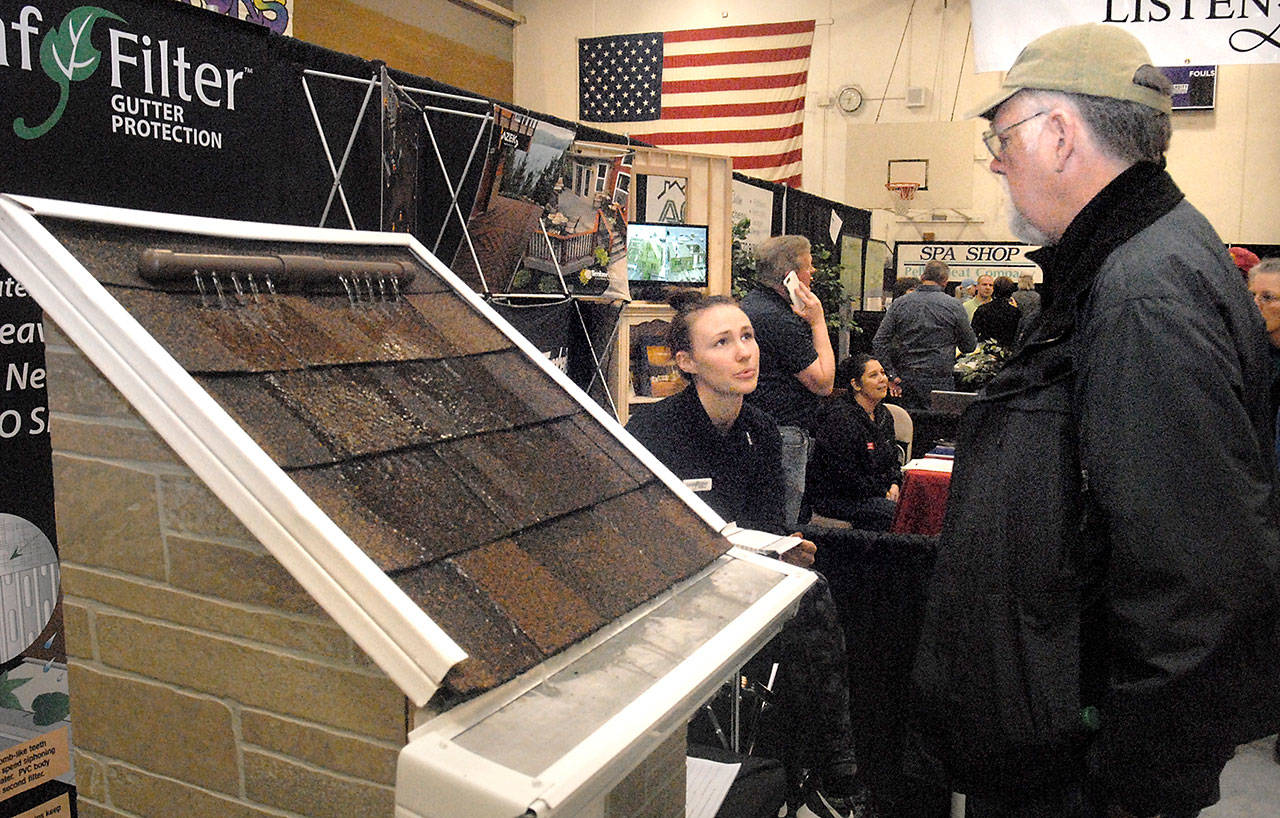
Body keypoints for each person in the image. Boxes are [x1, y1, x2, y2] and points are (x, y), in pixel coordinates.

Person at [908, 23, 1280, 818]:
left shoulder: (1143, 292)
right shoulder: (1128, 265)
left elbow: (1193, 580)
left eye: (1001, 136)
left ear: (1059, 133)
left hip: (1086, 772)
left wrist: (1132, 785)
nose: (995, 160)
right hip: (1055, 738)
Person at [625, 292, 868, 818]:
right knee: (815, 601)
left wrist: (786, 545)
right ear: (686, 362)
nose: (744, 353)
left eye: (747, 337)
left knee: (815, 587)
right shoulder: (650, 433)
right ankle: (835, 775)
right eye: (722, 342)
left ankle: (821, 773)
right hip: (675, 599)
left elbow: (769, 525)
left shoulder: (761, 430)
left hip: (744, 587)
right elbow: (642, 544)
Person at [740, 235, 836, 528]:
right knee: (782, 526)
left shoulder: (749, 305)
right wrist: (818, 322)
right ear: (790, 277)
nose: (814, 273)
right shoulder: (779, 320)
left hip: (757, 427)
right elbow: (823, 382)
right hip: (784, 433)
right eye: (809, 266)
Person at [805, 354, 902, 531]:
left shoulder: (884, 416)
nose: (883, 379)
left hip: (876, 493)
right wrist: (882, 491)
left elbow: (892, 460)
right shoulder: (839, 418)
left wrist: (895, 483)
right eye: (874, 375)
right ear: (856, 384)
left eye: (882, 373)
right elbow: (845, 476)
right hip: (840, 498)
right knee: (895, 514)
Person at [872, 259, 976, 409]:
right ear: (945, 281)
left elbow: (879, 341)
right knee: (938, 427)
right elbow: (969, 346)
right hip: (940, 379)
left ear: (922, 277)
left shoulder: (900, 303)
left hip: (906, 379)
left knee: (908, 426)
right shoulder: (954, 306)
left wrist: (890, 375)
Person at [970, 276, 1021, 349]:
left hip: (986, 351)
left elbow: (973, 333)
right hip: (1008, 351)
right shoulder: (1015, 312)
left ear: (994, 289)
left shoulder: (982, 310)